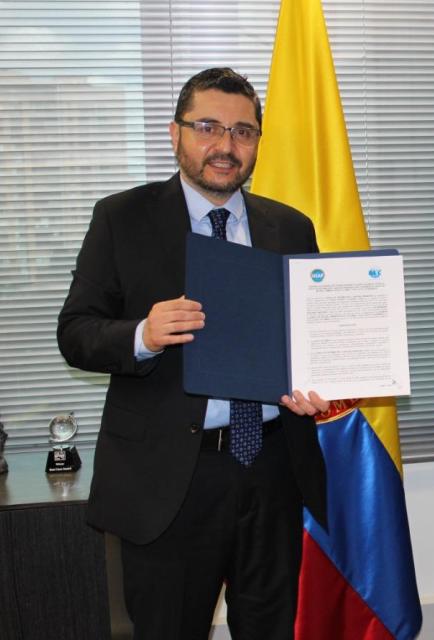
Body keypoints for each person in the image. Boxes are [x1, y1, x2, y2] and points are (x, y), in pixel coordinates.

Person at [57, 68, 329, 640]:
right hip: (168, 482)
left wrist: (317, 382)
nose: (225, 146)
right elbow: (76, 332)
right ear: (174, 133)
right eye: (207, 127)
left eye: (243, 132)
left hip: (273, 469)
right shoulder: (122, 218)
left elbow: (312, 336)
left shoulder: (291, 227)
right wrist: (143, 335)